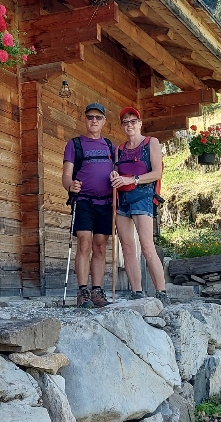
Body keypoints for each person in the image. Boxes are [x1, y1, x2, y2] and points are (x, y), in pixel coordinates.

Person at [110, 106, 168, 304]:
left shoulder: (151, 143)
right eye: (125, 122)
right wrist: (115, 176)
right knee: (127, 247)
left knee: (146, 246)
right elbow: (116, 172)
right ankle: (137, 292)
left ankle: (162, 292)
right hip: (122, 201)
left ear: (140, 123)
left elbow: (156, 173)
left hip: (143, 198)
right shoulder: (119, 149)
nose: (129, 125)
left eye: (133, 121)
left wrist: (131, 180)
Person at [62, 103, 116, 308]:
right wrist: (71, 186)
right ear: (85, 119)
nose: (94, 120)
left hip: (105, 203)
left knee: (100, 246)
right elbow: (66, 175)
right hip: (83, 200)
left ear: (104, 121)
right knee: (84, 242)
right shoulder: (74, 144)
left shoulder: (111, 147)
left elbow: (117, 173)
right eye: (90, 117)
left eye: (98, 118)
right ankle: (83, 291)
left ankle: (97, 290)